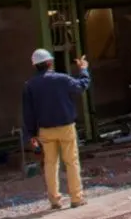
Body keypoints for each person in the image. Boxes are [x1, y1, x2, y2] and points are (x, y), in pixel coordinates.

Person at [22, 49, 90, 210]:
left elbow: (28, 112)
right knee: (71, 162)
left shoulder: (30, 85)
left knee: (50, 164)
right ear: (50, 63)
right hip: (66, 127)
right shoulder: (62, 79)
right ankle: (76, 198)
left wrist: (30, 134)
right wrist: (83, 69)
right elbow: (81, 86)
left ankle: (54, 200)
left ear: (35, 66)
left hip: (45, 130)